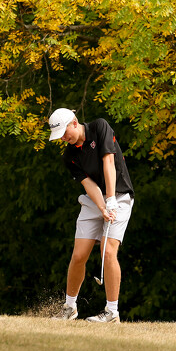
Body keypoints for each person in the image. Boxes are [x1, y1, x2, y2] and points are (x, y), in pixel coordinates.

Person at [48, 108, 134, 323]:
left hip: (119, 196)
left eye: (64, 133)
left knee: (108, 251)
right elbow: (89, 185)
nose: (63, 138)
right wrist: (102, 207)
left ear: (74, 122)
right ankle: (69, 308)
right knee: (78, 255)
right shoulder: (69, 156)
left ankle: (112, 312)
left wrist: (111, 199)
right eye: (59, 136)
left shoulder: (99, 127)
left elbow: (108, 162)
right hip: (94, 201)